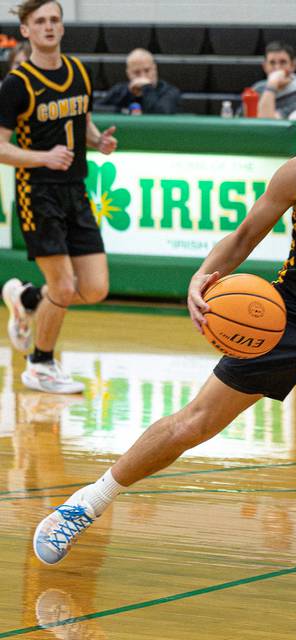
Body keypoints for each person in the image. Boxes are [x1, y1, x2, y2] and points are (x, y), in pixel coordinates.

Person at [31, 41, 296, 616]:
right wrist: (204, 274)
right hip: (290, 316)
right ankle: (85, 503)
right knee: (194, 423)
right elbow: (246, 236)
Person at [0, 0, 117, 394]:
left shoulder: (79, 71)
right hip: (38, 192)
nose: (49, 27)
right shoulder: (17, 84)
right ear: (27, 31)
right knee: (64, 286)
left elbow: (80, 119)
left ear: (63, 28)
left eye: (54, 20)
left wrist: (98, 139)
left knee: (96, 288)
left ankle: (28, 298)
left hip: (76, 189)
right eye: (40, 22)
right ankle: (40, 364)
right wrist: (41, 158)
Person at [252, 41, 296, 131]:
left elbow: (268, 125)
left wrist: (272, 85)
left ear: (293, 65)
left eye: (283, 62)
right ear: (265, 66)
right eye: (272, 63)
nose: (277, 68)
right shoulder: (257, 89)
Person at [95, 48, 180, 115]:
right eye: (136, 72)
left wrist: (147, 88)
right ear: (128, 74)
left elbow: (160, 113)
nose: (143, 76)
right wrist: (123, 109)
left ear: (155, 69)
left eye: (147, 70)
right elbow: (96, 108)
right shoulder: (120, 91)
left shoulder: (170, 91)